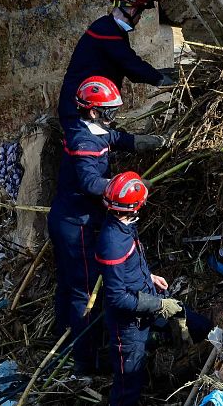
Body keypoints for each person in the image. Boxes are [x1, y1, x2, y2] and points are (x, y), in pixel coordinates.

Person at [47, 76, 166, 374]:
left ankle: (62, 338)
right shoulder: (84, 142)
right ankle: (84, 363)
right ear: (92, 111)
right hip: (76, 225)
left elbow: (114, 138)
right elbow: (89, 182)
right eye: (108, 110)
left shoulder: (90, 129)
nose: (113, 115)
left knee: (68, 284)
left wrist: (144, 142)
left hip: (68, 217)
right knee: (82, 293)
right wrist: (130, 186)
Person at [97, 171, 210, 406]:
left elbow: (130, 264)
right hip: (129, 324)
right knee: (129, 385)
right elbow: (117, 297)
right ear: (135, 206)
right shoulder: (112, 243)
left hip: (147, 296)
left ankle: (208, 348)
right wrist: (160, 305)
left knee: (195, 321)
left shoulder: (124, 224)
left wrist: (149, 276)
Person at [58, 0, 175, 131]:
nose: (139, 19)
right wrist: (160, 79)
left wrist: (159, 74)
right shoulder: (107, 32)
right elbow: (130, 64)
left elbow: (129, 68)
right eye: (140, 13)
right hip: (79, 111)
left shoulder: (109, 28)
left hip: (87, 108)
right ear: (133, 10)